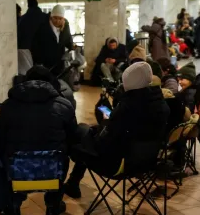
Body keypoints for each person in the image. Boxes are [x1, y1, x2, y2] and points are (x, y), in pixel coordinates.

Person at [65, 62, 170, 199]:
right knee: (86, 132)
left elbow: (105, 141)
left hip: (117, 165)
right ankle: (73, 183)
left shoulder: (127, 108)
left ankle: (70, 184)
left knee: (80, 133)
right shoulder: (161, 104)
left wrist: (102, 125)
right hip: (147, 162)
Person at [0, 66, 78, 215]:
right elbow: (73, 138)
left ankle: (14, 203)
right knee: (62, 155)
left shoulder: (8, 106)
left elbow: (0, 140)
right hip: (53, 173)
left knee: (7, 154)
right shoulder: (64, 105)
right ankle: (53, 204)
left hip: (18, 173)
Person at [31, 4, 73, 75]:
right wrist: (38, 62)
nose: (57, 21)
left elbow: (68, 40)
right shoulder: (43, 26)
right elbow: (35, 45)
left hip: (60, 62)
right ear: (51, 17)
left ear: (63, 18)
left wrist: (71, 48)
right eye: (55, 18)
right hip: (45, 62)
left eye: (60, 19)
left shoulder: (65, 26)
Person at [17, 0, 44, 75]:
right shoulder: (44, 18)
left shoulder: (22, 19)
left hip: (25, 50)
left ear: (28, 5)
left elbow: (19, 36)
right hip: (41, 51)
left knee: (30, 75)